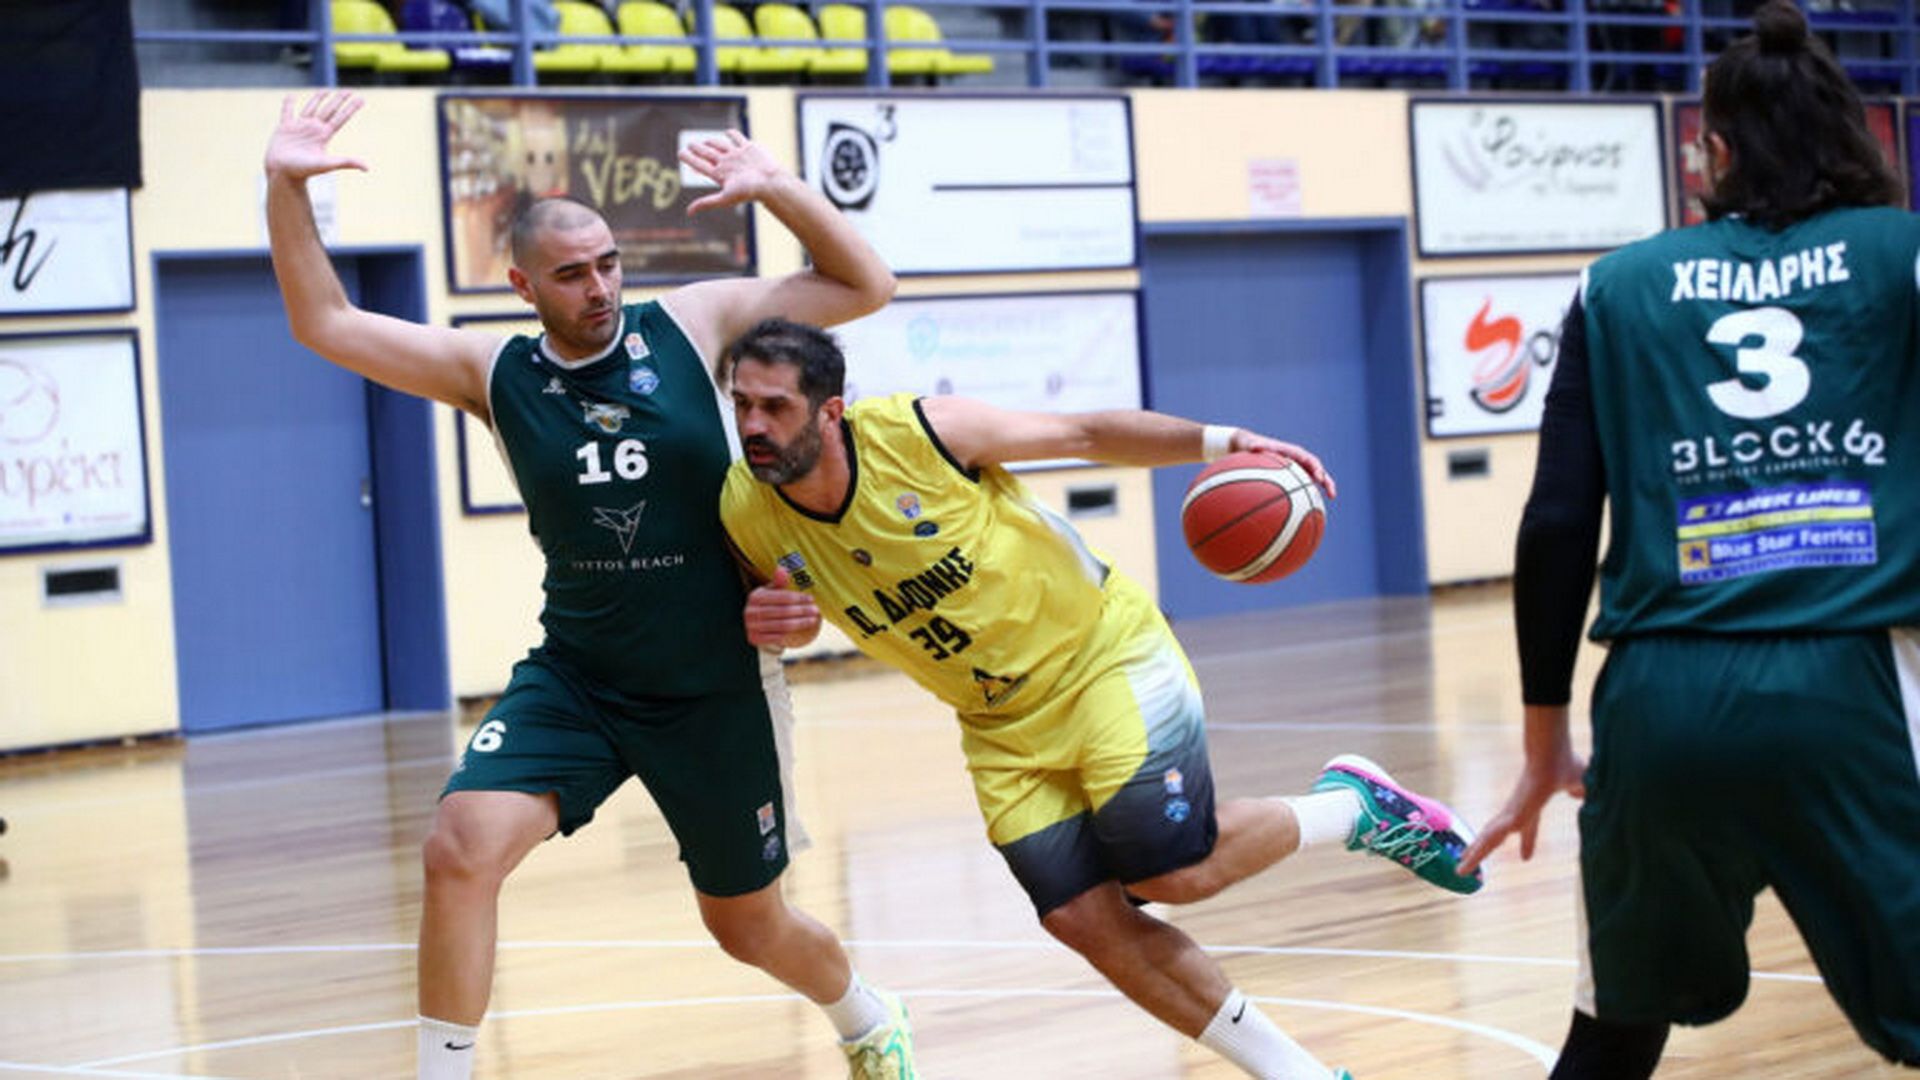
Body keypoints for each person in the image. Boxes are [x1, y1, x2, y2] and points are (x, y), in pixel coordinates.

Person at [263, 91, 917, 1080]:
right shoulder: (493, 370)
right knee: (459, 846)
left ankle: (867, 1017)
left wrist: (778, 187)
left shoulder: (694, 322)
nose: (601, 287)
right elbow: (324, 320)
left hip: (712, 684)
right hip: (581, 674)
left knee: (746, 925)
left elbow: (866, 284)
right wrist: (285, 184)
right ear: (523, 283)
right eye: (572, 274)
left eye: (609, 263)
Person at [715, 317, 1486, 1080]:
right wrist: (782, 623)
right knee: (1081, 918)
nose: (753, 426)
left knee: (1170, 871)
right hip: (997, 723)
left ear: (831, 411)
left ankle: (1356, 808)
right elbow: (779, 607)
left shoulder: (922, 435)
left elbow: (1083, 432)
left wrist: (1224, 442)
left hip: (1102, 660)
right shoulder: (745, 509)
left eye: (775, 406)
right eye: (742, 404)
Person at [1458, 4, 1920, 1075]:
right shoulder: (1901, 257)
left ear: (1712, 149)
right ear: (1859, 135)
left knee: (1614, 1036)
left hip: (1660, 702)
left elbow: (1558, 521)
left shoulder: (1615, 284)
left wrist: (1543, 742)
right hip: (1856, 687)